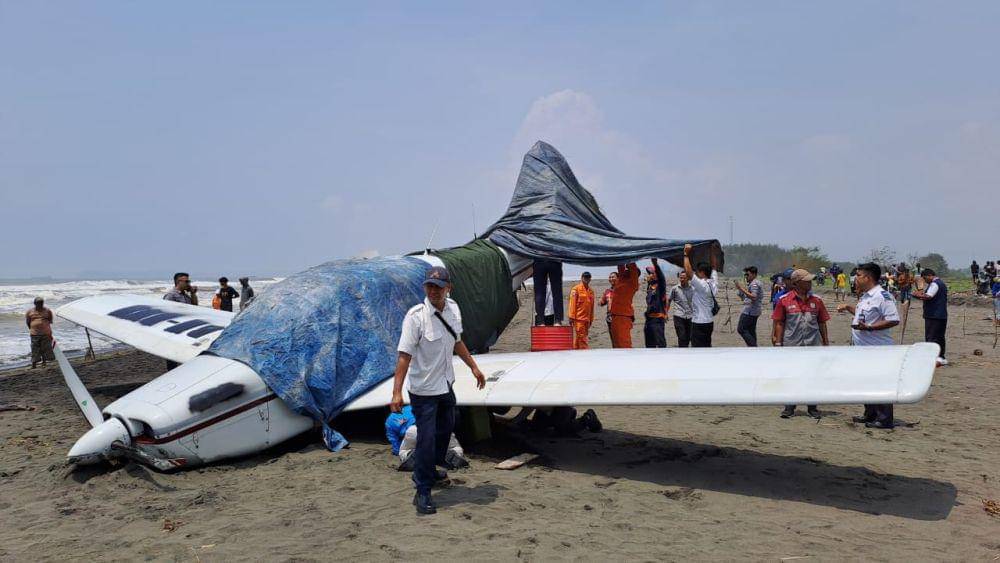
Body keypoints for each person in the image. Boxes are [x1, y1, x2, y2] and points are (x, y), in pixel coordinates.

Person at [390, 266, 486, 515]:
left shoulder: (453, 309)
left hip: (445, 385)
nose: (433, 291)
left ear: (448, 288)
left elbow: (457, 341)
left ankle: (429, 467)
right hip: (423, 392)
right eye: (429, 286)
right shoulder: (416, 317)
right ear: (424, 288)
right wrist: (396, 392)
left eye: (438, 287)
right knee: (427, 438)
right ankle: (423, 489)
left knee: (447, 429)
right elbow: (403, 356)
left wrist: (474, 367)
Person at [836, 263, 900, 429]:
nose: (856, 278)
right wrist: (849, 308)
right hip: (861, 349)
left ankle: (884, 419)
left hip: (877, 349)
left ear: (868, 277)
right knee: (865, 382)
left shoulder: (882, 296)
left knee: (880, 383)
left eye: (858, 275)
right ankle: (870, 414)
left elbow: (893, 319)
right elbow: (862, 315)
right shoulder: (865, 296)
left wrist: (870, 328)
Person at [772, 269, 830, 419]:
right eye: (807, 281)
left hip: (813, 346)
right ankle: (789, 407)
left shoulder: (817, 300)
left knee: (812, 376)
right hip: (792, 346)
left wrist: (826, 343)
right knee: (791, 376)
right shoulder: (784, 300)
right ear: (796, 283)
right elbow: (779, 322)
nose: (810, 283)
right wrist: (778, 343)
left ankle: (812, 407)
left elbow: (822, 323)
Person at [683, 244, 718, 347]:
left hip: (699, 322)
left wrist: (686, 254)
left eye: (697, 272)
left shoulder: (701, 285)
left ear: (702, 272)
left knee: (698, 350)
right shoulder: (713, 282)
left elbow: (689, 273)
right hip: (709, 322)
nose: (696, 273)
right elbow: (714, 267)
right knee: (707, 346)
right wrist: (712, 250)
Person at [912, 268, 948, 366]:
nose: (925, 281)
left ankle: (933, 357)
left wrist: (915, 295)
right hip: (940, 315)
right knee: (939, 337)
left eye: (925, 278)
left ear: (929, 275)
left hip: (933, 315)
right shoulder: (941, 283)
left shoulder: (935, 284)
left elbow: (928, 296)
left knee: (932, 337)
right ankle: (940, 357)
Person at [608, 263, 640, 348]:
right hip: (615, 316)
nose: (625, 270)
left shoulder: (633, 283)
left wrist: (629, 253)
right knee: (616, 344)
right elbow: (620, 265)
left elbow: (632, 266)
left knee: (624, 344)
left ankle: (628, 360)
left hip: (623, 317)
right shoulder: (622, 280)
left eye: (627, 270)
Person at [733, 266, 763, 347]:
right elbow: (746, 298)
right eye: (745, 275)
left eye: (748, 274)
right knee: (751, 331)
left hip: (750, 311)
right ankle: (753, 348)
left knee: (741, 329)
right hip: (753, 310)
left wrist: (741, 288)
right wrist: (741, 291)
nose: (746, 276)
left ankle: (753, 347)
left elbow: (753, 296)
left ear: (754, 274)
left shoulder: (754, 284)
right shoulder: (752, 283)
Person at [643, 259, 668, 348]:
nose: (649, 275)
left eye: (651, 273)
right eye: (649, 273)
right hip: (649, 320)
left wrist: (655, 263)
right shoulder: (650, 287)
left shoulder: (660, 286)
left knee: (660, 344)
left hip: (657, 320)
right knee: (649, 345)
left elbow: (661, 277)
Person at [568, 272, 595, 349]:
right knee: (582, 338)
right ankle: (585, 354)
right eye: (585, 277)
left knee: (579, 338)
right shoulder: (576, 289)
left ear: (590, 279)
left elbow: (592, 306)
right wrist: (571, 317)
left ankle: (575, 352)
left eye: (588, 277)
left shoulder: (591, 291)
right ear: (582, 278)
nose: (586, 279)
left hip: (587, 319)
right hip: (578, 319)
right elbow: (572, 304)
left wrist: (591, 318)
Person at [25, 297, 55, 369]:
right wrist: (33, 328)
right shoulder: (30, 311)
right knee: (34, 349)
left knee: (44, 348)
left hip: (46, 333)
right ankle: (34, 365)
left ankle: (44, 363)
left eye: (41, 303)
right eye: (38, 303)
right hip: (34, 333)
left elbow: (50, 320)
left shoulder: (47, 311)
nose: (40, 304)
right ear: (35, 303)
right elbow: (28, 322)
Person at [532, 259, 564, 326]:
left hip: (539, 260)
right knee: (557, 292)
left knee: (539, 292)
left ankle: (540, 321)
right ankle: (557, 320)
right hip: (554, 259)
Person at [667, 271, 694, 347]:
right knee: (681, 337)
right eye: (680, 277)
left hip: (691, 316)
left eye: (684, 278)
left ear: (688, 278)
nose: (682, 279)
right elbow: (669, 300)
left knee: (689, 337)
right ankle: (682, 354)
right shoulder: (675, 289)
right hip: (678, 316)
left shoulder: (693, 289)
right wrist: (666, 313)